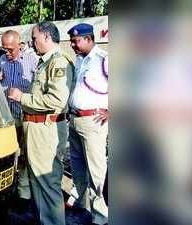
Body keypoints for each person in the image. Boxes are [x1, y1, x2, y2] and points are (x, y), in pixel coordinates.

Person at [8, 21, 74, 225]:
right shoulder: (44, 61)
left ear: (46, 37)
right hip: (36, 128)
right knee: (37, 181)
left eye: (34, 38)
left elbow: (56, 100)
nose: (32, 42)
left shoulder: (59, 62)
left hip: (47, 130)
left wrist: (22, 98)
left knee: (48, 182)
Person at [66, 23, 109, 225]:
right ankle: (82, 208)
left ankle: (101, 218)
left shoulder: (104, 59)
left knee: (96, 172)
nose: (73, 45)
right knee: (77, 169)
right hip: (74, 120)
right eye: (72, 41)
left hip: (93, 122)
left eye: (76, 41)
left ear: (89, 39)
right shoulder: (79, 60)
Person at [0, 30, 38, 204]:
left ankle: (24, 193)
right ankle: (6, 188)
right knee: (7, 154)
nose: (7, 52)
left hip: (25, 116)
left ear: (20, 45)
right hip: (6, 117)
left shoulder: (32, 62)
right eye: (4, 48)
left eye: (11, 49)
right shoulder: (2, 60)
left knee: (24, 156)